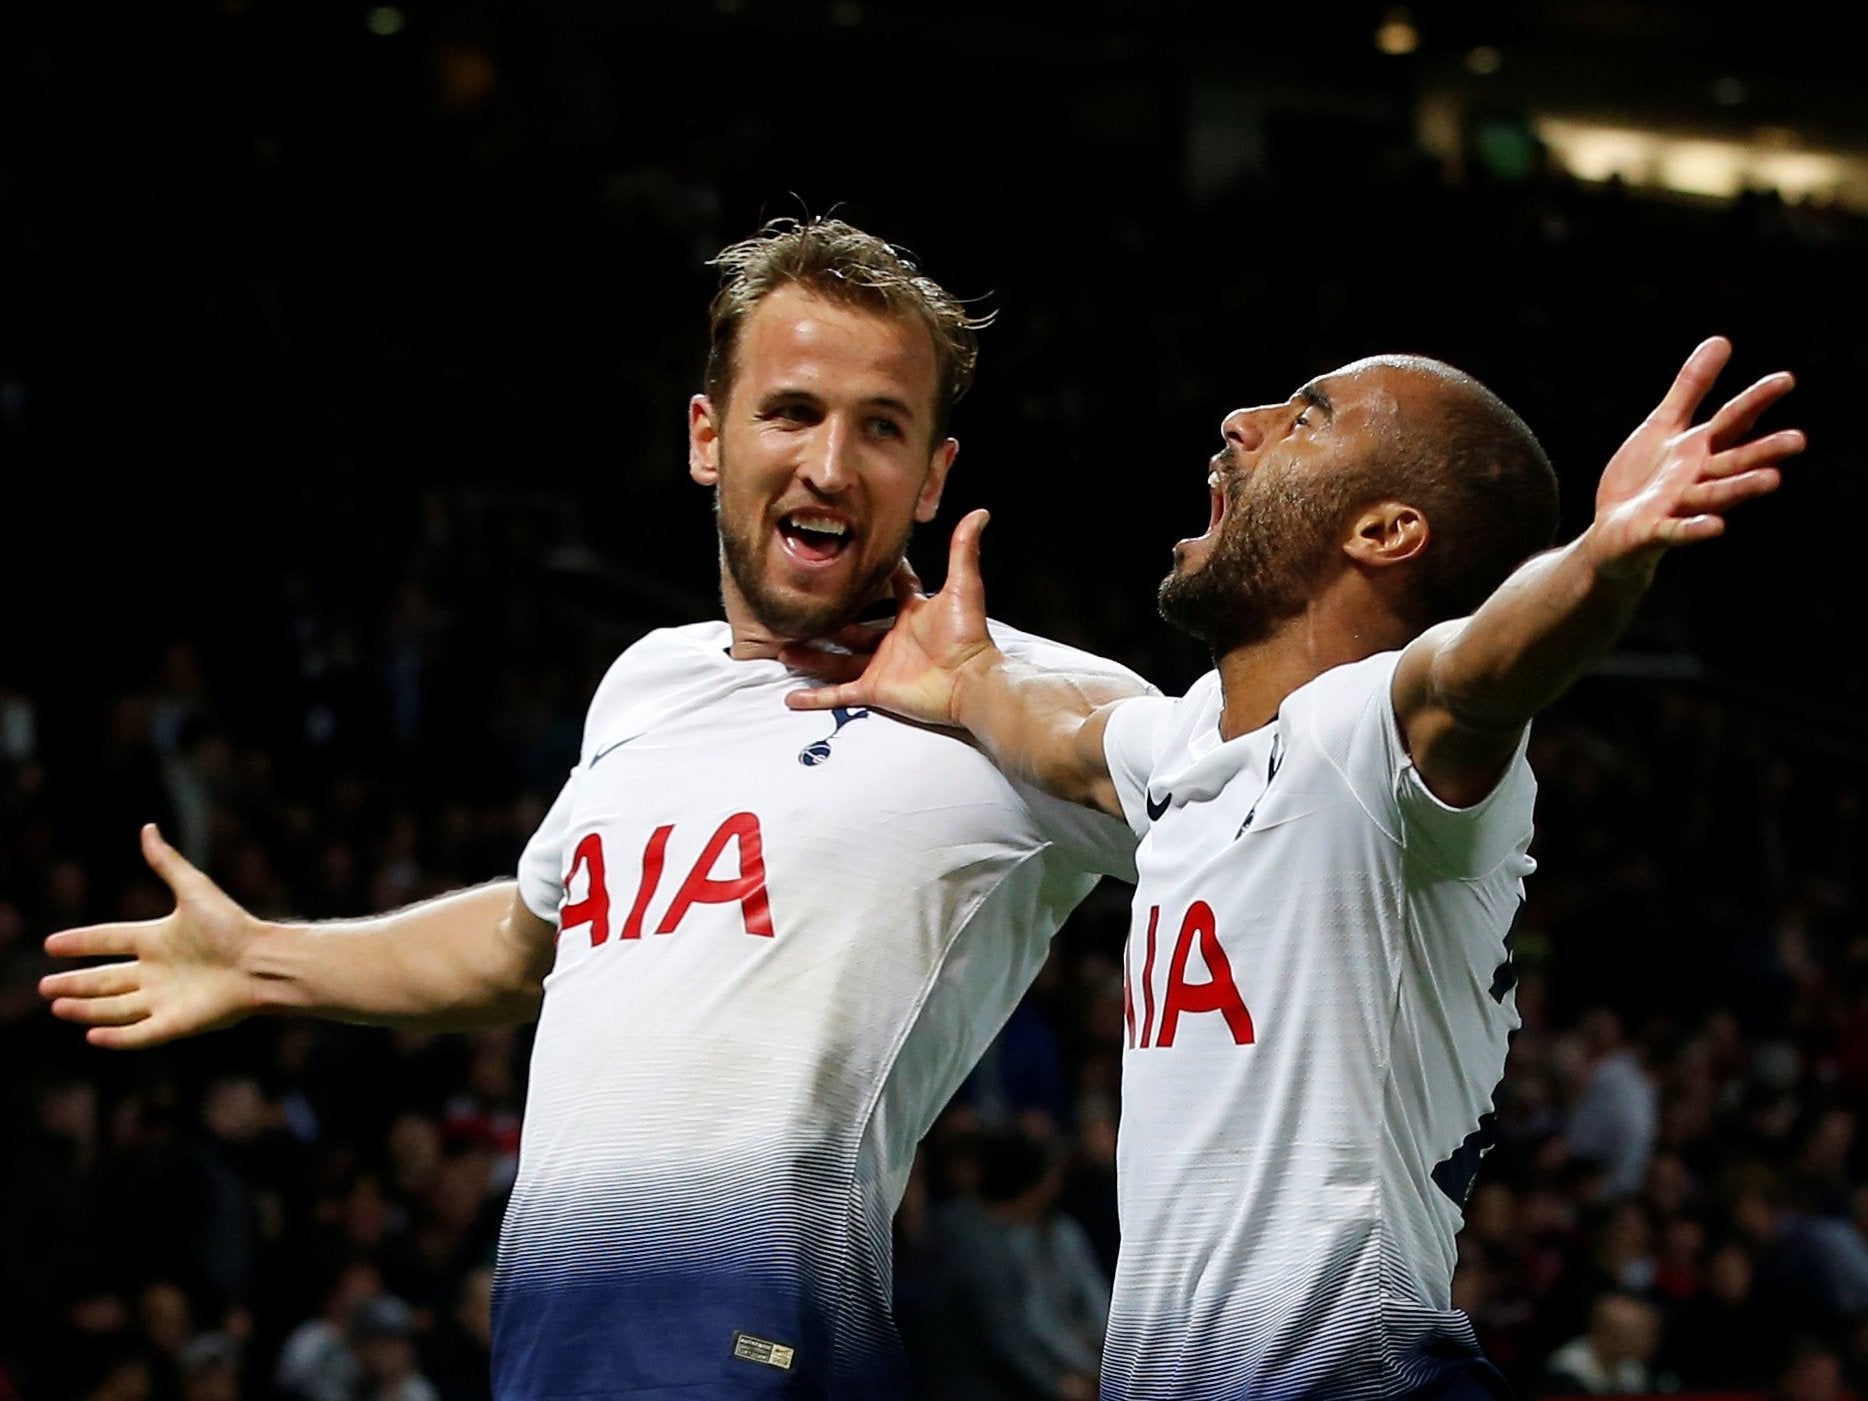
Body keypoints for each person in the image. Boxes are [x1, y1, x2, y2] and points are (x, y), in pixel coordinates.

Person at [38, 218, 1147, 1399]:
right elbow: (533, 938)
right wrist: (266, 958)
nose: (829, 463)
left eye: (880, 427)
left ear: (931, 477)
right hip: (551, 1357)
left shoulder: (1017, 697)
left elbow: (1273, 822)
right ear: (706, 438)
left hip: (766, 1356)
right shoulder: (645, 682)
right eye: (790, 412)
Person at [787, 337, 1804, 1397]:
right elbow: (1055, 738)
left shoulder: (1373, 738)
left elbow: (1482, 674)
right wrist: (960, 674)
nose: (1242, 418)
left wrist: (1604, 557)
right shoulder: (1183, 748)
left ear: (1384, 530)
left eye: (1307, 415)